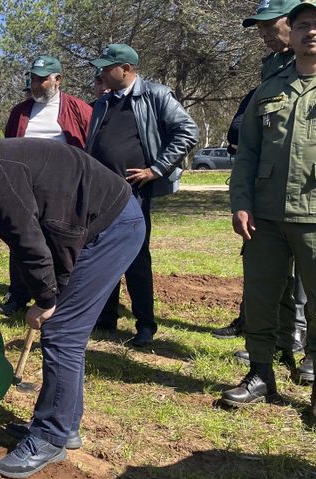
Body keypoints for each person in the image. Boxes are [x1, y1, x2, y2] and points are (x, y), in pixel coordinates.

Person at [0, 122, 144, 479]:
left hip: (111, 227)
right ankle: (64, 426)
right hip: (89, 226)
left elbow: (28, 241)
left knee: (62, 332)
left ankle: (50, 437)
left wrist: (46, 298)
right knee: (66, 333)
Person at [225, 0, 316, 432]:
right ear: (292, 32)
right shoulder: (270, 87)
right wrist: (240, 202)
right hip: (265, 215)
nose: (310, 32)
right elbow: (247, 155)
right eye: (302, 25)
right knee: (261, 299)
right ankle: (261, 374)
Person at [87, 44, 199, 346]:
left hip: (133, 193)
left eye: (106, 68)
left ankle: (145, 325)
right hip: (101, 193)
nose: (101, 74)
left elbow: (188, 131)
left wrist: (156, 169)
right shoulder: (102, 103)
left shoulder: (155, 95)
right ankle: (105, 318)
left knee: (135, 257)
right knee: (101, 253)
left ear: (125, 69)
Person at [0, 55, 93, 316]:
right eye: (33, 79)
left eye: (42, 79)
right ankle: (18, 295)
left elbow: (89, 148)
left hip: (63, 190)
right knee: (22, 241)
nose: (36, 84)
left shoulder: (78, 109)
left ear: (57, 80)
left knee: (60, 244)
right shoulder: (20, 112)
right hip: (26, 189)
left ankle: (59, 298)